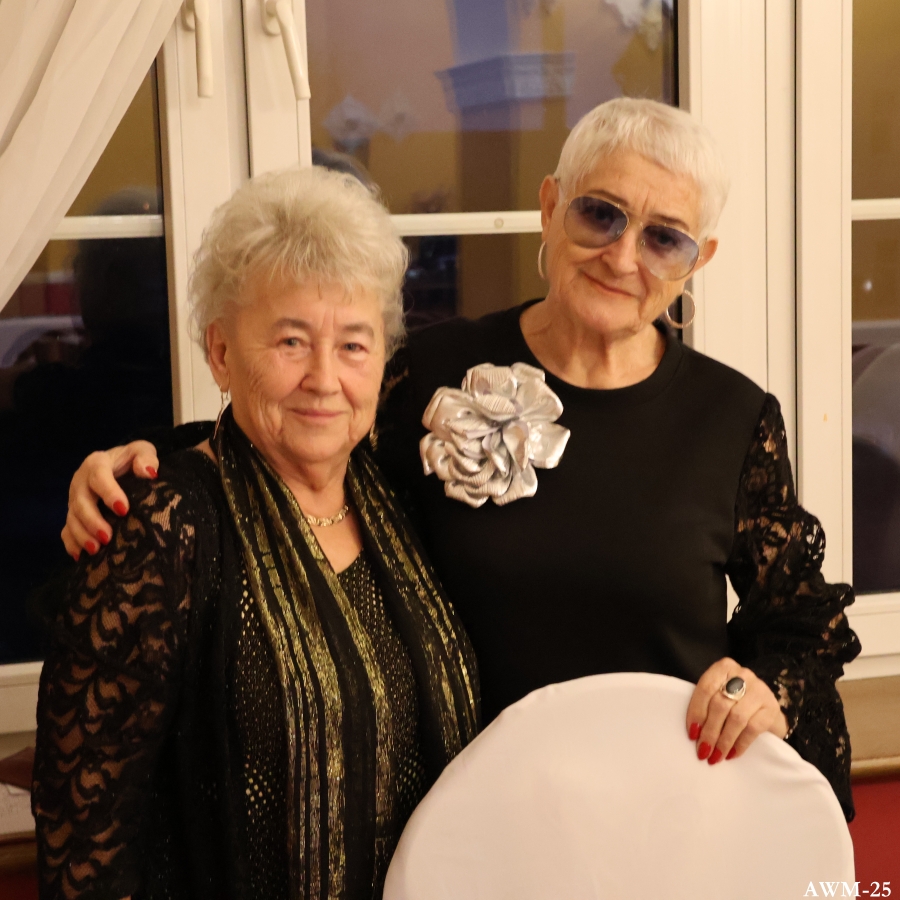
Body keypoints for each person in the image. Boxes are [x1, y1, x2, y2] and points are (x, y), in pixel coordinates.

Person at [60, 98, 860, 820]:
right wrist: (152, 464)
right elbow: (306, 437)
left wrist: (764, 690)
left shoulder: (734, 418)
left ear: (698, 259)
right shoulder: (435, 373)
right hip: (468, 828)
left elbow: (800, 626)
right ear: (550, 207)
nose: (623, 258)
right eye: (600, 214)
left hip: (666, 816)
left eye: (663, 238)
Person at [32, 166, 479, 900]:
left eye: (354, 346)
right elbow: (84, 841)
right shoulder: (160, 532)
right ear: (220, 353)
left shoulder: (399, 497)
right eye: (291, 341)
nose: (325, 379)